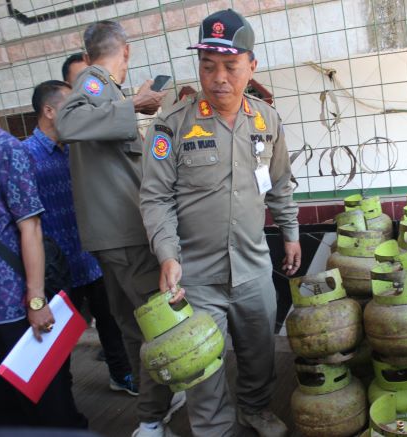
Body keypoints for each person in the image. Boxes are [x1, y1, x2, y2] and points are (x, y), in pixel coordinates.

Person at [140, 9, 301, 437]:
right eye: (208, 66)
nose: (219, 77)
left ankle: (254, 408)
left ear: (252, 65)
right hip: (195, 274)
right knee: (202, 368)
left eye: (230, 66)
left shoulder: (268, 121)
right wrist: (167, 256)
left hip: (253, 268)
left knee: (259, 352)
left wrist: (290, 234)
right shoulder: (172, 125)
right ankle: (216, 430)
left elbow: (281, 183)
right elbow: (155, 198)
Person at [55, 21, 185, 437]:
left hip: (113, 236)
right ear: (125, 52)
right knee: (158, 325)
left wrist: (133, 104)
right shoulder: (95, 82)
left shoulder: (108, 93)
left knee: (133, 327)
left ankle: (157, 401)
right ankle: (152, 417)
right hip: (126, 235)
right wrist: (133, 104)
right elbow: (69, 124)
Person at [23, 80, 137, 396]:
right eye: (70, 105)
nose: (78, 113)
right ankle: (60, 393)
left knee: (112, 321)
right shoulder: (24, 156)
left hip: (93, 255)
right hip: (54, 266)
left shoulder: (80, 148)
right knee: (55, 336)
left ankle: (122, 374)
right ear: (48, 111)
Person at [0, 121, 87, 429]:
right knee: (0, 409)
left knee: (50, 408)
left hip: (12, 307)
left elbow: (31, 226)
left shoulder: (1, 148)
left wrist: (37, 300)